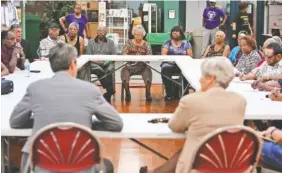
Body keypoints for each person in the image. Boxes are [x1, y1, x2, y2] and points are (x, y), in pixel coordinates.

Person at [10, 43, 123, 173]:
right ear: (73, 64)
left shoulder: (35, 88)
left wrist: (42, 123)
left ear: (52, 66)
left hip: (41, 168)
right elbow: (116, 123)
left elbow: (15, 122)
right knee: (107, 165)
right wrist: (86, 124)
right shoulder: (90, 90)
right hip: (82, 167)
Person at [140, 57, 246, 173]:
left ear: (210, 78)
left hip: (199, 165)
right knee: (191, 149)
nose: (200, 79)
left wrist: (200, 92)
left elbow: (174, 126)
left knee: (190, 149)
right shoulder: (240, 101)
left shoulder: (191, 101)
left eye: (202, 76)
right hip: (230, 163)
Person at [120, 25, 153, 101]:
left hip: (143, 66)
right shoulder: (129, 42)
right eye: (136, 34)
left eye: (140, 34)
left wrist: (142, 58)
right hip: (129, 66)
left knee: (148, 74)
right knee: (124, 75)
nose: (138, 36)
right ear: (133, 34)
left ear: (143, 35)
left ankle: (148, 93)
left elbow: (149, 55)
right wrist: (130, 57)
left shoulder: (146, 44)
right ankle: (127, 93)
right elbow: (123, 53)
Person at [161, 26, 193, 100]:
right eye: (173, 31)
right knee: (165, 70)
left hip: (183, 64)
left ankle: (184, 93)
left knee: (187, 71)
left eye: (177, 31)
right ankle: (169, 94)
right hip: (169, 64)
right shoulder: (167, 43)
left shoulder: (186, 43)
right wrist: (173, 61)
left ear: (181, 33)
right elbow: (163, 54)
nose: (174, 32)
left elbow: (190, 55)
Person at [86, 26, 116, 102]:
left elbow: (114, 56)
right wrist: (97, 61)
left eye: (102, 31)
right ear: (96, 32)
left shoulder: (111, 42)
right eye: (99, 30)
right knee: (99, 69)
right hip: (94, 63)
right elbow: (88, 56)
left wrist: (107, 61)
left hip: (107, 62)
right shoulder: (91, 42)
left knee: (109, 70)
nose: (100, 32)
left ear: (106, 33)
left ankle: (108, 94)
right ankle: (110, 90)